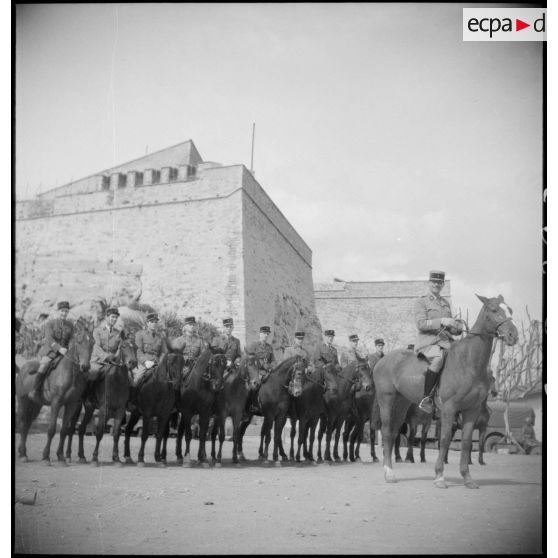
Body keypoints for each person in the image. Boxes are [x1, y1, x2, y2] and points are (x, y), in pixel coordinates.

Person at [414, 270, 463, 413]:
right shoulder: (421, 301)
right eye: (434, 282)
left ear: (442, 285)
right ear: (429, 283)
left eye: (439, 282)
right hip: (428, 342)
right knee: (438, 358)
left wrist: (456, 327)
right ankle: (426, 398)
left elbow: (450, 327)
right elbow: (421, 324)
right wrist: (441, 321)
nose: (436, 284)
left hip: (446, 342)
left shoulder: (445, 303)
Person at [29, 301, 74, 403]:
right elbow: (49, 339)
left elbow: (72, 339)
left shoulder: (70, 325)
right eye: (62, 311)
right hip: (51, 351)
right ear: (58, 311)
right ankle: (34, 390)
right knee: (44, 365)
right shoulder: (50, 323)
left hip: (66, 353)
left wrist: (69, 348)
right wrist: (59, 348)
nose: (64, 313)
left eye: (66, 311)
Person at [132, 312, 167, 390]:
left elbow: (164, 352)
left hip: (157, 364)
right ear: (147, 323)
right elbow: (138, 350)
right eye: (152, 322)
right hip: (144, 364)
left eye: (155, 322)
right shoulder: (140, 334)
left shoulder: (160, 337)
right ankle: (132, 400)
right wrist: (145, 361)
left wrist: (161, 362)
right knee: (137, 379)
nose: (154, 324)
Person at [90, 307, 125, 379]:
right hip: (98, 362)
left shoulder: (118, 332)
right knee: (93, 375)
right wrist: (106, 357)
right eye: (112, 317)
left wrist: (115, 357)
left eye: (116, 317)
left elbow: (119, 347)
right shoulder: (97, 331)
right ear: (106, 317)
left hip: (114, 362)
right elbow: (97, 347)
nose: (114, 319)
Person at [168, 316, 207, 381]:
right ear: (185, 326)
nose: (192, 326)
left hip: (196, 367)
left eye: (193, 324)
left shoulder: (200, 341)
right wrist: (185, 359)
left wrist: (196, 360)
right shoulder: (178, 341)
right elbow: (173, 358)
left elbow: (203, 355)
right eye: (190, 324)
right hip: (182, 367)